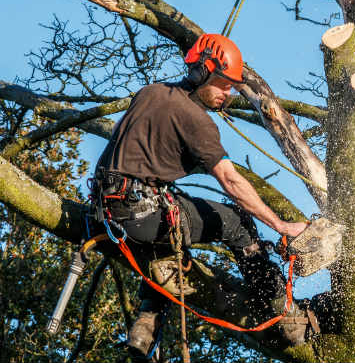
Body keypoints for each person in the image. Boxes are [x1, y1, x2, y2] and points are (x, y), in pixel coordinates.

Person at [93, 34, 316, 359]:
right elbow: (230, 180)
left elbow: (127, 142)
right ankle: (285, 317)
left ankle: (143, 332)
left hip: (106, 212)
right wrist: (281, 225)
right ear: (201, 74)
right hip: (141, 215)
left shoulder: (149, 93)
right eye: (224, 85)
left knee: (169, 246)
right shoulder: (196, 120)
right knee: (237, 222)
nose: (227, 94)